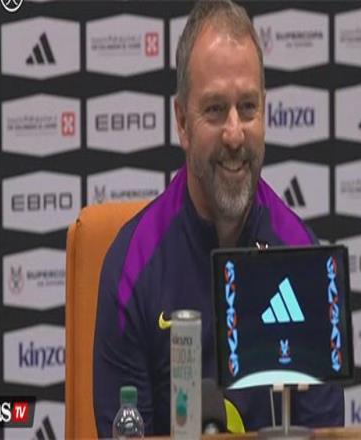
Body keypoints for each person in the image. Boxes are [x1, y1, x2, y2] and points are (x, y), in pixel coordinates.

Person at [93, 0, 344, 436]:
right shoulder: (131, 267)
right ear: (181, 122)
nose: (234, 134)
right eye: (214, 109)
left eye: (247, 107)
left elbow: (323, 433)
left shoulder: (303, 258)